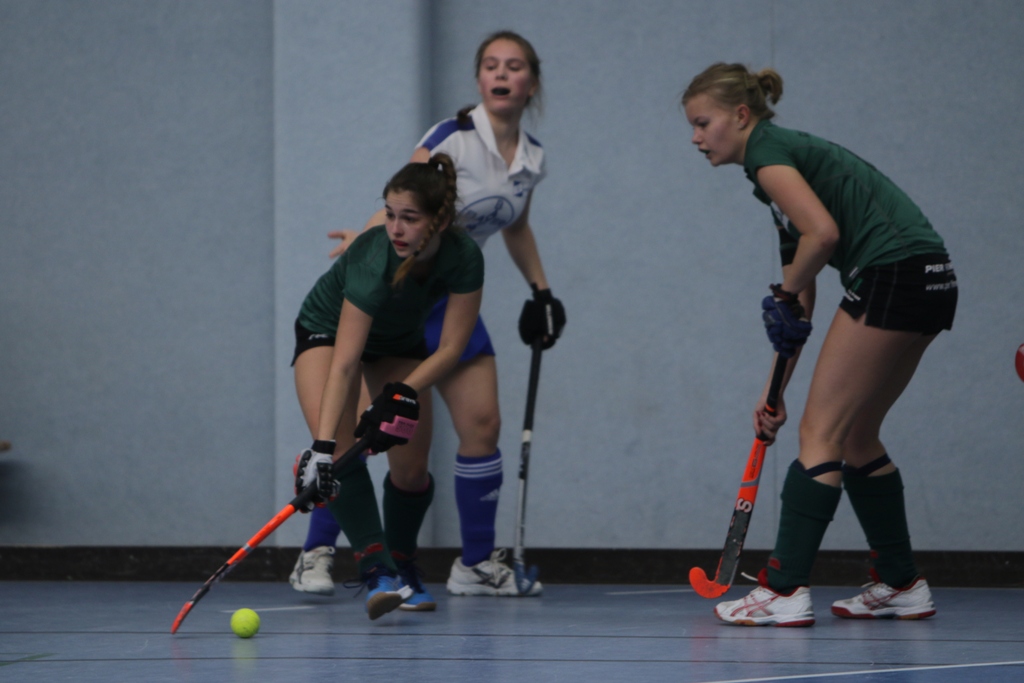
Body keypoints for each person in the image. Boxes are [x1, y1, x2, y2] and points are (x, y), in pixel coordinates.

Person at [290, 30, 564, 599]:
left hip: (449, 295)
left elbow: (514, 226)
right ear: (479, 77)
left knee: (476, 427)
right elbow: (406, 204)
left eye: (514, 65)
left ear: (532, 82)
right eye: (491, 64)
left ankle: (471, 564)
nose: (501, 74)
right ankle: (321, 550)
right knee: (345, 436)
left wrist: (541, 290)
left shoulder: (530, 158)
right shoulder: (449, 140)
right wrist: (366, 241)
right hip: (396, 290)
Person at [682, 63, 957, 626]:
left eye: (702, 123)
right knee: (855, 435)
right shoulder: (774, 170)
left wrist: (784, 293)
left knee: (820, 433)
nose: (695, 137)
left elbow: (823, 235)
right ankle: (902, 583)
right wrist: (774, 391)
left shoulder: (768, 153)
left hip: (893, 274)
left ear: (741, 115)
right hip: (931, 278)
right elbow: (800, 295)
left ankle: (784, 589)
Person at [291, 152, 483, 618]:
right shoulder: (372, 257)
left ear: (439, 222)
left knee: (411, 470)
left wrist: (401, 392)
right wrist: (321, 449)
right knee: (341, 448)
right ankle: (377, 570)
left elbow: (451, 348)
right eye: (390, 214)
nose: (395, 228)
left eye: (409, 219)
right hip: (328, 331)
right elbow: (344, 364)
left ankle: (402, 564)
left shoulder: (464, 257)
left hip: (399, 342)